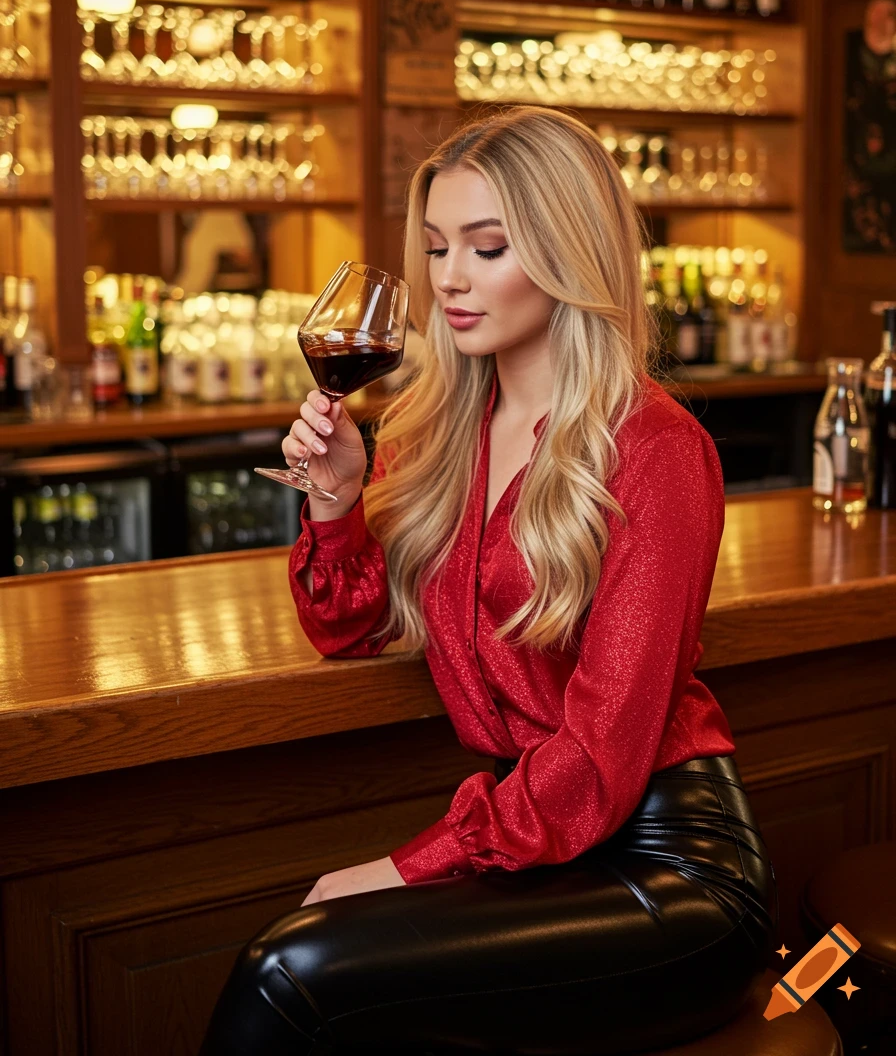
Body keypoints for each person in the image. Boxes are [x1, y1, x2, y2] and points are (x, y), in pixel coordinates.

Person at [198, 107, 778, 1056]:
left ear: (568, 251)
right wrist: (337, 499)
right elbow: (347, 631)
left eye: (488, 246)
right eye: (434, 248)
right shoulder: (433, 431)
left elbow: (598, 757)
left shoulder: (656, 449)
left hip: (669, 868)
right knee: (307, 966)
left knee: (295, 967)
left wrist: (404, 866)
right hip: (538, 846)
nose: (450, 279)